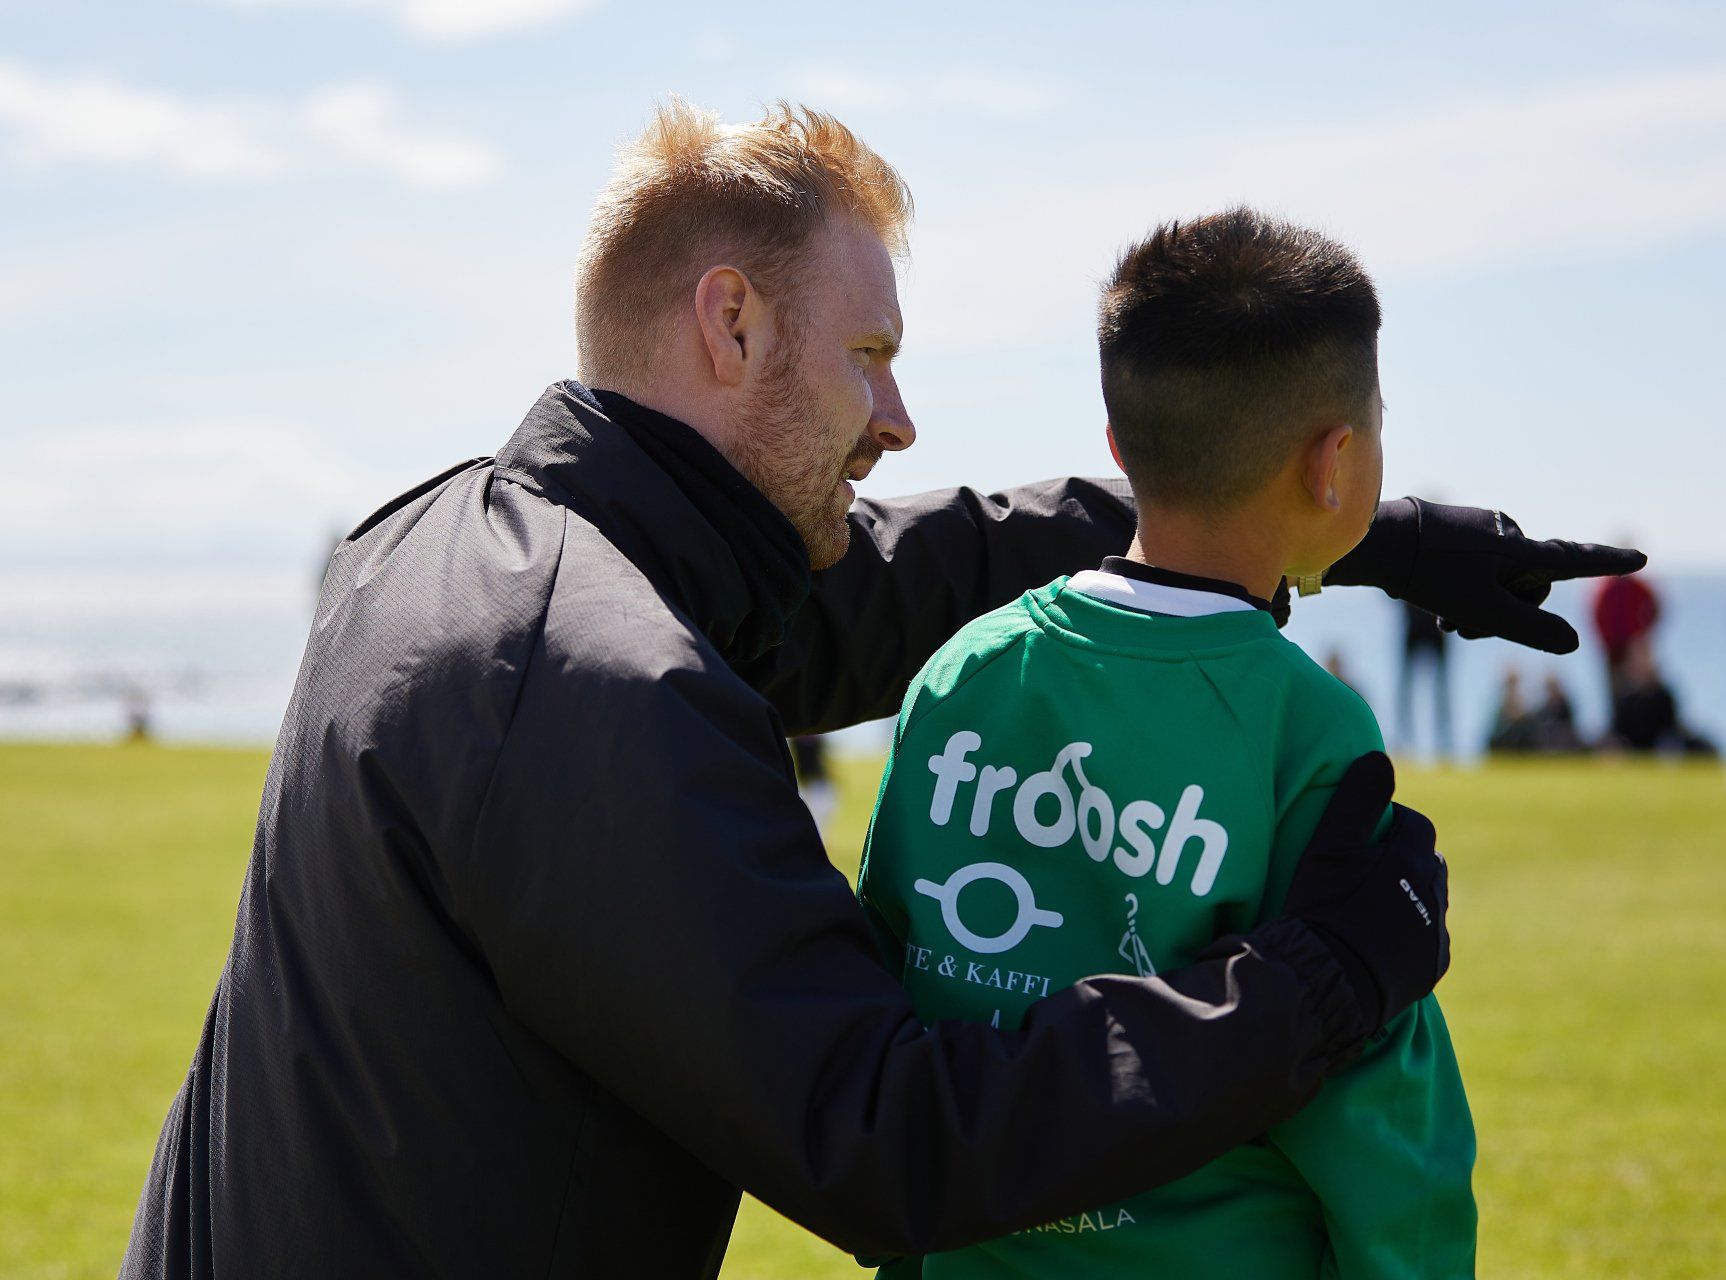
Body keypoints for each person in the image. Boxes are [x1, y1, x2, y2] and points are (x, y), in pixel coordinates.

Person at [121, 103, 1641, 1279]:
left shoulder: (459, 546)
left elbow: (904, 579)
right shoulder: (595, 687)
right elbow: (892, 1133)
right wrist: (1316, 980)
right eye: (869, 354)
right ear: (731, 323)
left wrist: (1328, 527)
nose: (899, 417)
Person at [858, 212, 1472, 1278]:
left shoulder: (962, 672)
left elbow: (890, 997)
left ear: (1118, 444)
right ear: (1335, 463)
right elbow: (1378, 1116)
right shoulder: (1308, 728)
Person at [1592, 567, 1660, 700]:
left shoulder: (1636, 586)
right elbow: (1598, 617)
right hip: (1615, 651)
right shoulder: (1607, 588)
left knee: (1644, 688)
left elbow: (1654, 606)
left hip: (1633, 647)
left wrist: (1643, 634)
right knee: (1618, 692)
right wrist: (1609, 642)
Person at [1398, 598, 1452, 755]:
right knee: (1406, 688)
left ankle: (1444, 742)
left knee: (1441, 689)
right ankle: (1404, 740)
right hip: (1415, 625)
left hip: (1438, 627)